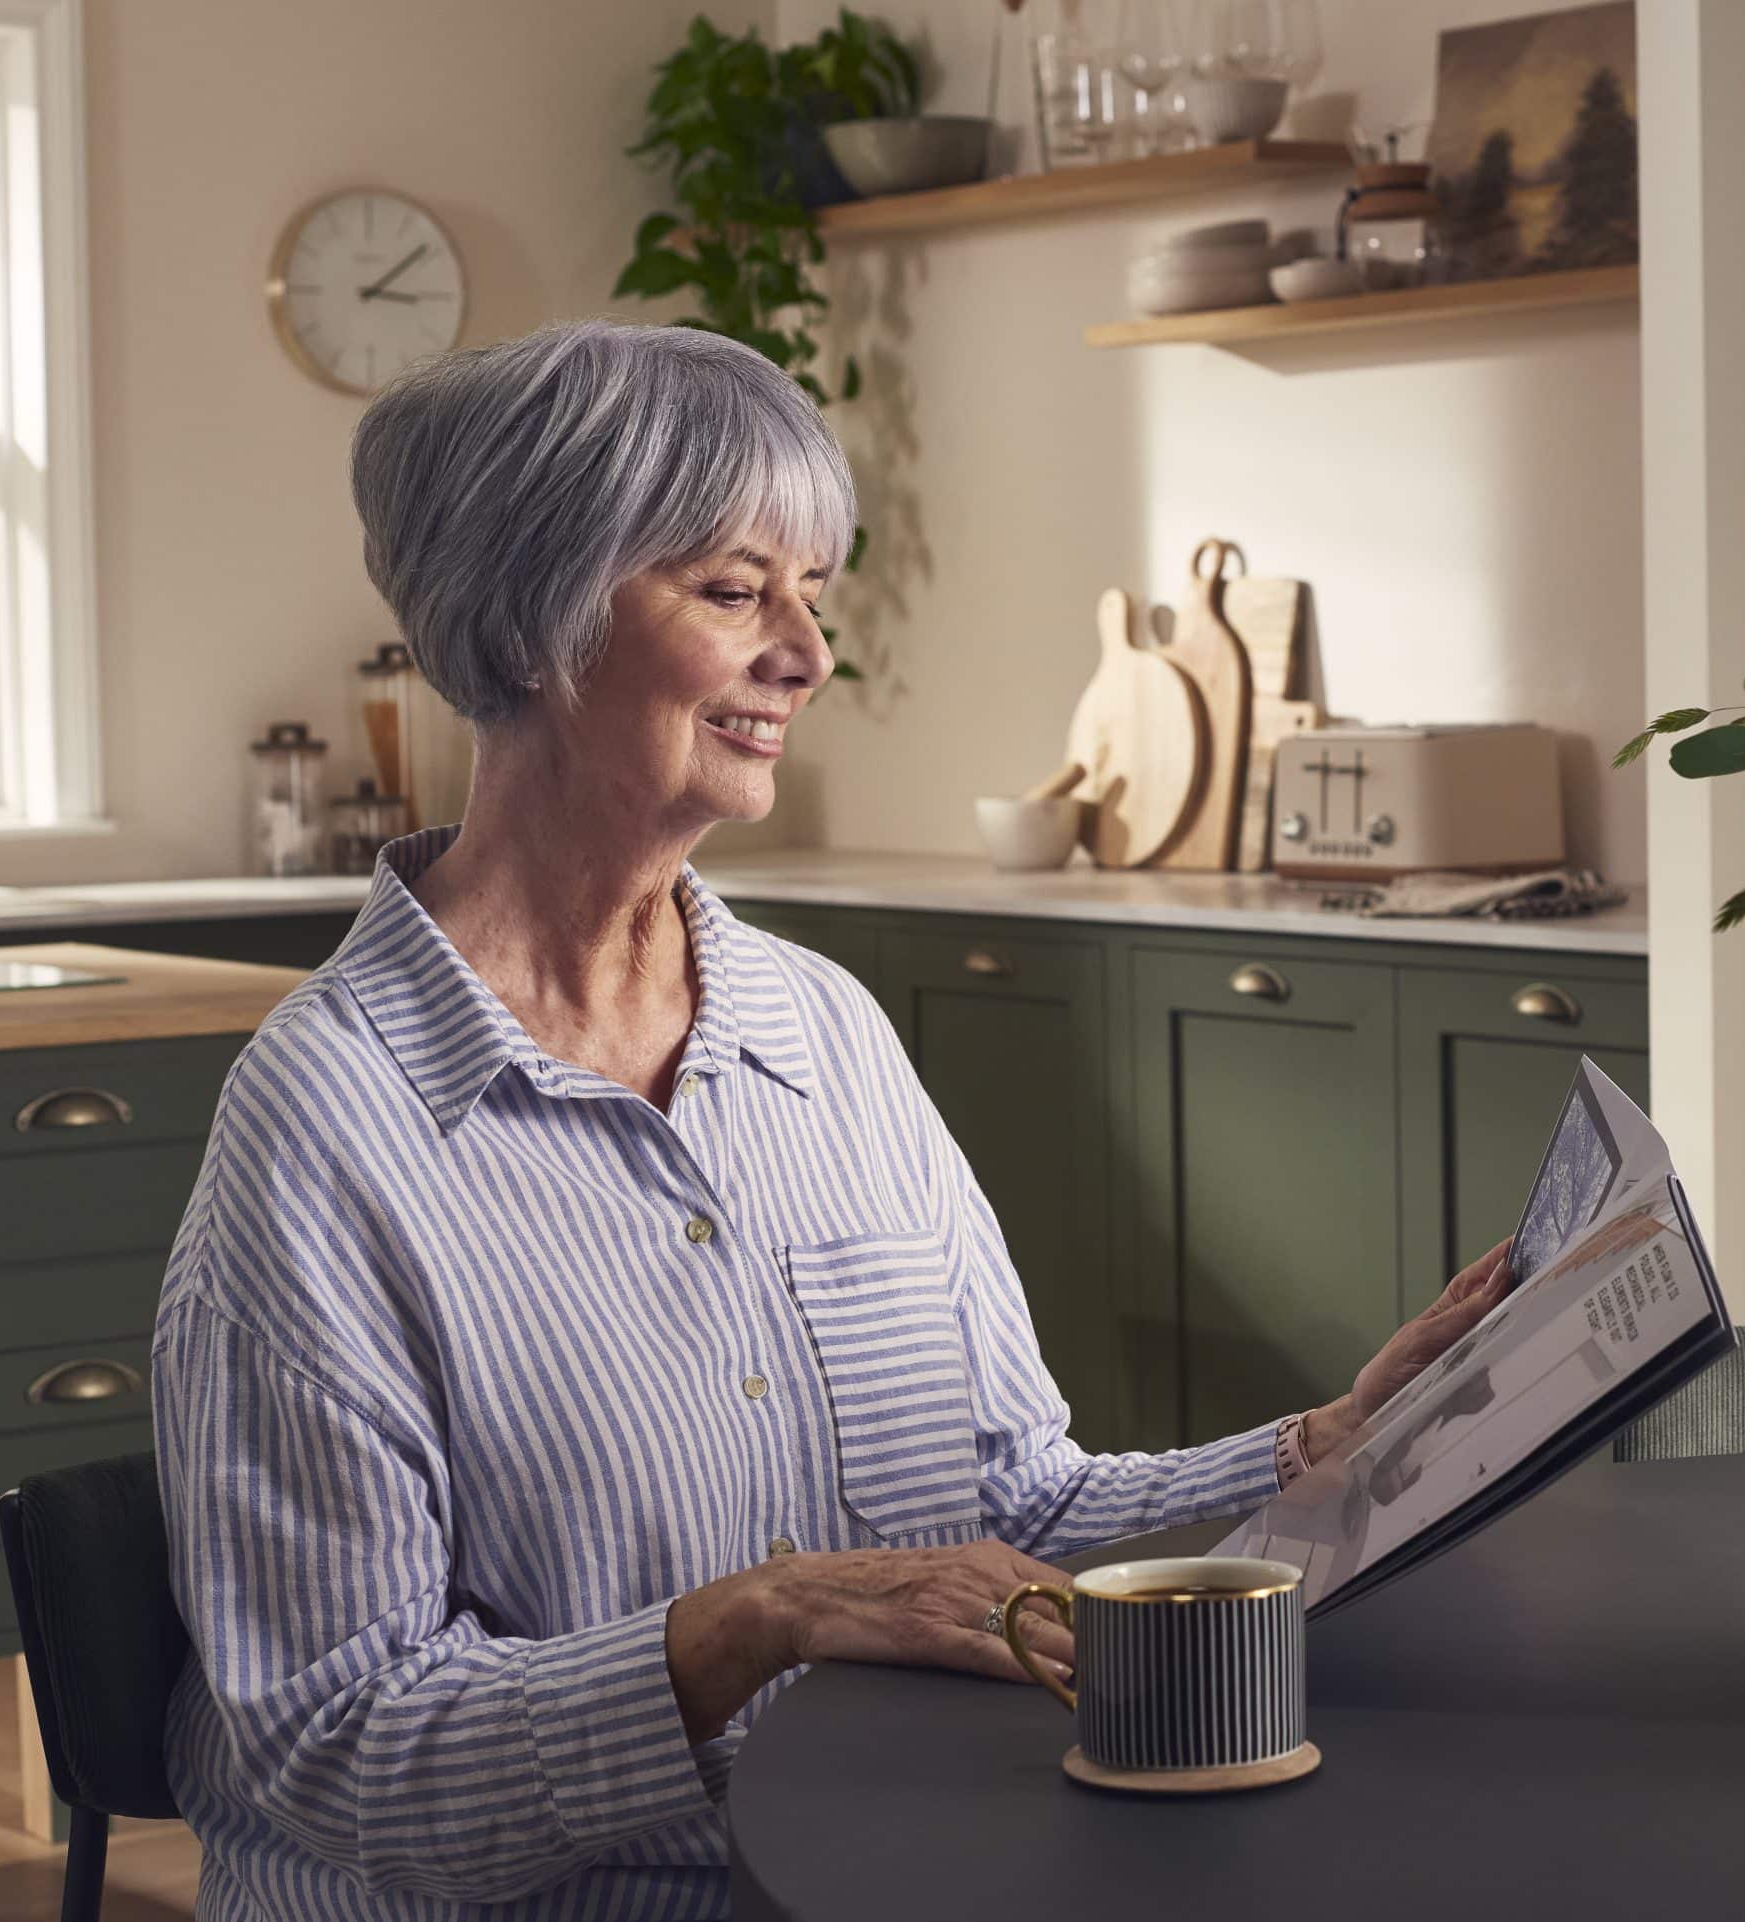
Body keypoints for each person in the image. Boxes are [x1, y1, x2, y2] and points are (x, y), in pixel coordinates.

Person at [150, 319, 1508, 1922]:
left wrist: (1317, 1452)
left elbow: (1019, 1512)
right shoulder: (328, 1131)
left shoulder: (822, 1031)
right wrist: (750, 1619)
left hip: (914, 1858)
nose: (805, 652)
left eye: (813, 596)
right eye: (735, 592)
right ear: (532, 622)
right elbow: (351, 1754)